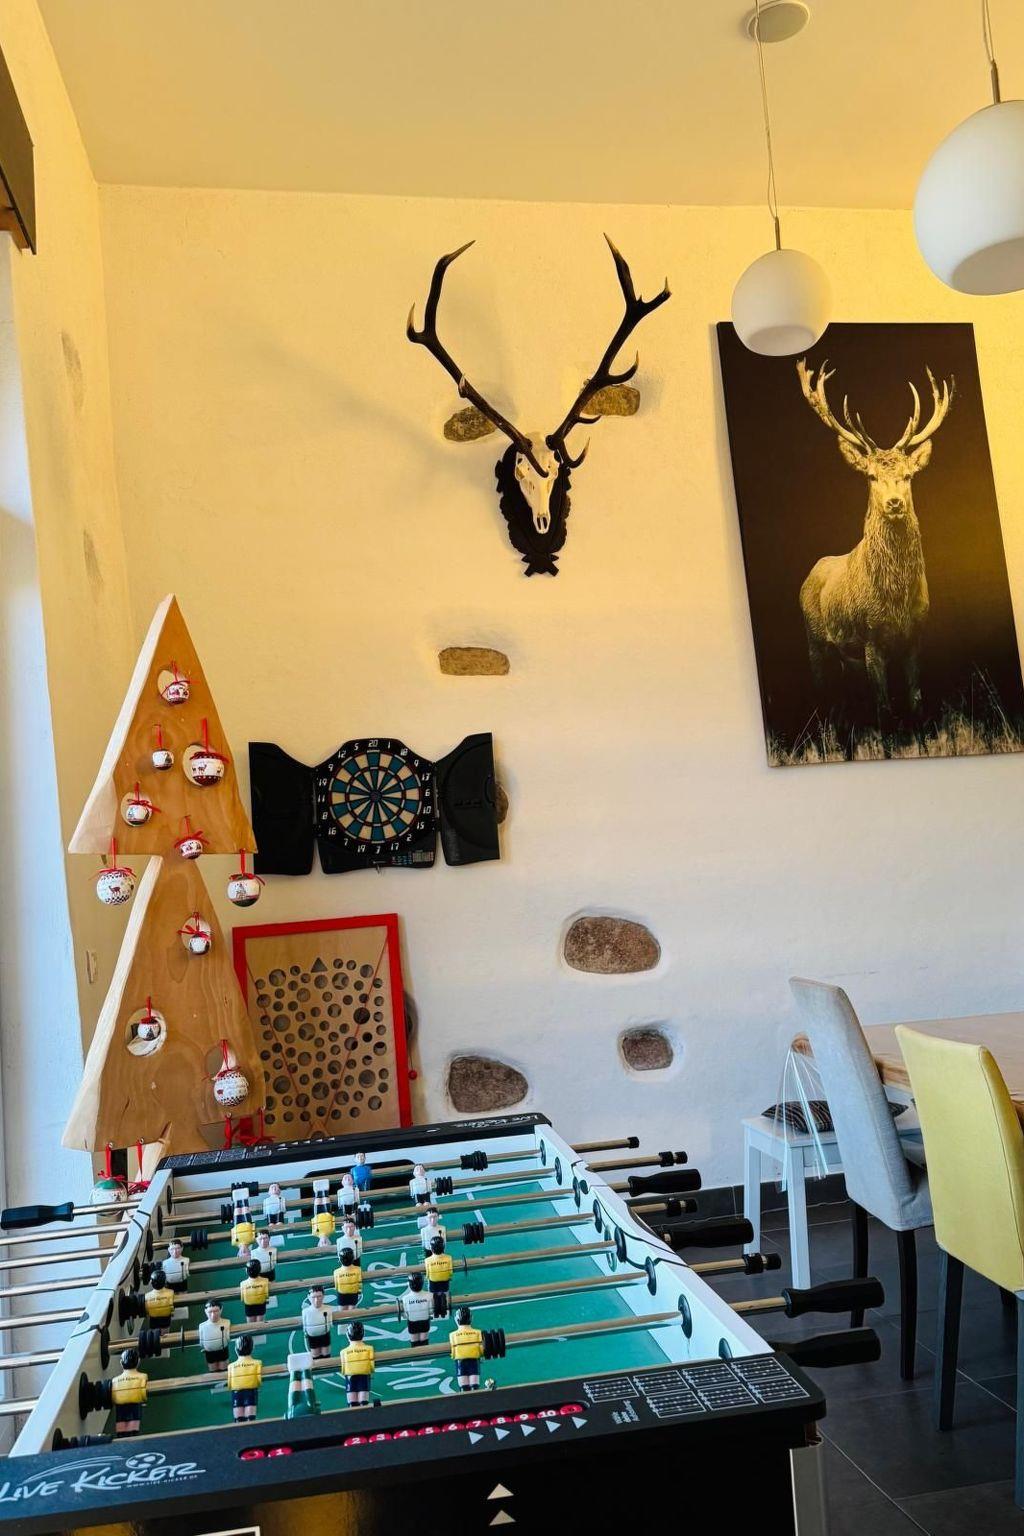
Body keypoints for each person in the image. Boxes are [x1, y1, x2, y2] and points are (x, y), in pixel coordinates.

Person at [110, 1347, 148, 1436]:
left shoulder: (115, 1380)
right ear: (138, 1362)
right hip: (135, 1403)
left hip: (121, 1405)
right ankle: (131, 1435)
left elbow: (114, 1397)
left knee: (121, 1427)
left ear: (121, 1363)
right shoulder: (143, 1377)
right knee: (133, 1427)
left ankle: (122, 1436)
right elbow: (143, 1394)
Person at [227, 1334, 263, 1422]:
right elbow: (259, 1380)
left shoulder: (231, 1366)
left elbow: (230, 1384)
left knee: (238, 1417)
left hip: (236, 1392)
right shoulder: (257, 1363)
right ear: (252, 1348)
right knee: (250, 1417)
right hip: (251, 1391)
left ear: (236, 1349)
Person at [448, 1305, 484, 1392]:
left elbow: (453, 1353)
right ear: (471, 1319)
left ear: (457, 1320)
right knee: (474, 1386)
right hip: (474, 1361)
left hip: (460, 1362)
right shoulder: (478, 1332)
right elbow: (481, 1349)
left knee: (464, 1387)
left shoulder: (453, 1335)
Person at [340, 1320, 375, 1408]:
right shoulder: (369, 1349)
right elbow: (371, 1365)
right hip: (364, 1375)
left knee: (352, 1402)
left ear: (348, 1335)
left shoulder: (343, 1352)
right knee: (364, 1401)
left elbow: (343, 1369)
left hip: (350, 1376)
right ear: (363, 1334)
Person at [198, 1299, 231, 1374]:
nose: (213, 1315)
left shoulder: (226, 1322)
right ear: (205, 1311)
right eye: (210, 1312)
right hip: (209, 1353)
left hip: (223, 1351)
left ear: (221, 1310)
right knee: (213, 1371)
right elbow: (201, 1342)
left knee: (224, 1370)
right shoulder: (202, 1326)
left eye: (216, 1311)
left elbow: (228, 1339)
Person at [301, 1284, 333, 1359]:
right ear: (309, 1297)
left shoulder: (328, 1309)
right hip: (312, 1337)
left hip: (325, 1335)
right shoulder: (305, 1312)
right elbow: (304, 1326)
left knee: (326, 1354)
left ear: (323, 1296)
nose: (316, 1300)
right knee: (315, 1355)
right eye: (313, 1297)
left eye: (319, 1296)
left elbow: (331, 1323)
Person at [401, 1271, 433, 1347]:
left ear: (409, 1284)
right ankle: (425, 1352)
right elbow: (431, 1311)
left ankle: (416, 1353)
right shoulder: (429, 1295)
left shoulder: (405, 1299)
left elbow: (405, 1315)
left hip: (412, 1322)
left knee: (414, 1340)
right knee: (424, 1339)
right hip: (424, 1320)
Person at [240, 1258, 270, 1322]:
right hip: (261, 1305)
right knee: (260, 1324)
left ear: (246, 1271)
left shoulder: (243, 1284)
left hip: (249, 1306)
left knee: (251, 1326)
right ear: (260, 1270)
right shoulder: (265, 1281)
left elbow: (242, 1298)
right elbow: (266, 1296)